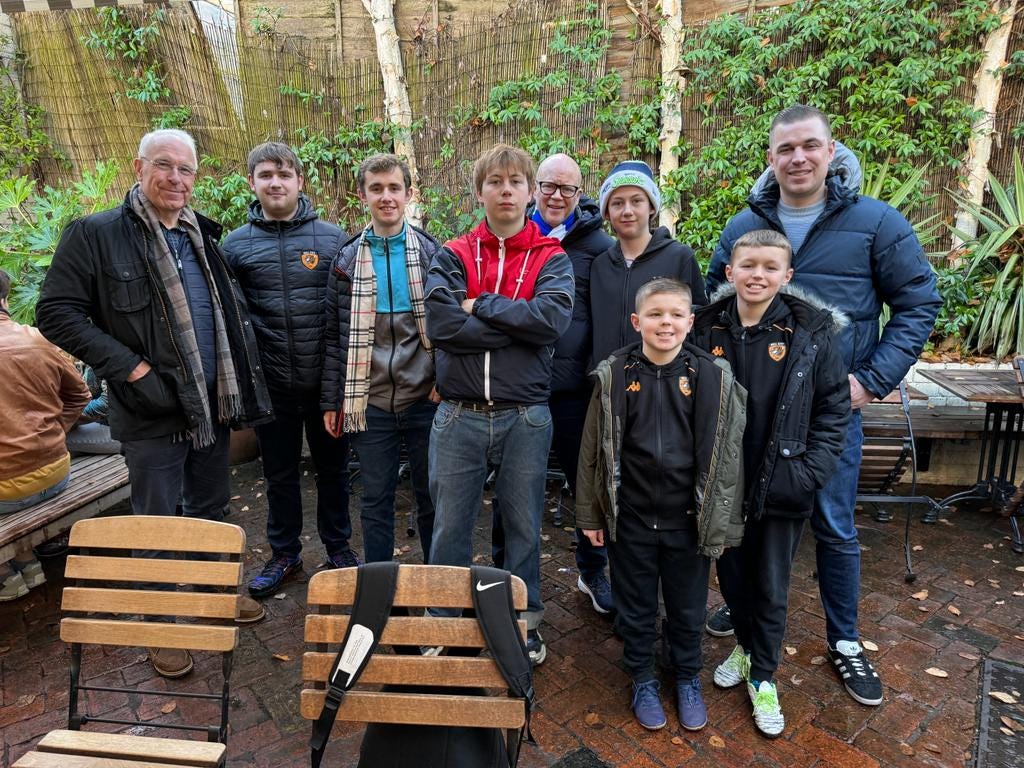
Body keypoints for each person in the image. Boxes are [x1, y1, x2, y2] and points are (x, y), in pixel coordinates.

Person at [706, 105, 941, 706]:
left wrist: (872, 379)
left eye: (810, 145)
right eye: (786, 149)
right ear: (771, 158)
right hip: (754, 415)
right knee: (747, 521)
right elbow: (713, 304)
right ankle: (748, 617)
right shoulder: (744, 226)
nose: (799, 158)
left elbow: (918, 302)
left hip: (831, 414)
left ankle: (845, 640)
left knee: (833, 526)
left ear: (831, 151)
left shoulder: (875, 222)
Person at [37, 128, 273, 677]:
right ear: (139, 168)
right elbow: (57, 313)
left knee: (211, 511)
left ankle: (214, 595)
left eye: (186, 169)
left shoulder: (200, 234)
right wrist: (132, 369)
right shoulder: (96, 234)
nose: (175, 178)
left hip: (211, 406)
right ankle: (161, 625)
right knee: (157, 522)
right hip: (150, 410)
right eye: (164, 165)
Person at [691, 230, 849, 737]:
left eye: (770, 267)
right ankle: (744, 645)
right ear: (730, 271)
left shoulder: (810, 332)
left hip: (782, 480)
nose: (757, 275)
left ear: (787, 275)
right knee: (732, 576)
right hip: (724, 484)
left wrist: (809, 472)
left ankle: (763, 676)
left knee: (771, 583)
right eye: (748, 265)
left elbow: (833, 407)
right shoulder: (706, 327)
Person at [424, 144, 574, 665]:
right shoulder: (453, 254)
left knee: (523, 528)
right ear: (479, 191)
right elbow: (442, 324)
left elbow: (550, 322)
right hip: (458, 415)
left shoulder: (552, 258)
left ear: (531, 193)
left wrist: (481, 305)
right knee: (449, 527)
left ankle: (522, 622)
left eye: (515, 182)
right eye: (495, 181)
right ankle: (441, 621)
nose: (505, 190)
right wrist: (517, 326)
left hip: (525, 418)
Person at [576, 277, 746, 732]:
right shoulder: (615, 374)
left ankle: (686, 675)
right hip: (630, 517)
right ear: (637, 321)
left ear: (690, 322)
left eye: (675, 314)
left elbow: (729, 456)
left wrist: (724, 522)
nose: (665, 323)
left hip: (687, 520)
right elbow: (592, 450)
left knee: (688, 606)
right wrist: (591, 513)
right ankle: (643, 677)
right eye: (655, 314)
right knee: (635, 607)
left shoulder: (711, 376)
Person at [223, 142, 355, 598]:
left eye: (283, 174)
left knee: (334, 472)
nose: (275, 182)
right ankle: (284, 554)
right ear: (252, 183)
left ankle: (338, 548)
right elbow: (231, 321)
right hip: (271, 389)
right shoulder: (234, 246)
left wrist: (341, 387)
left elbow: (346, 317)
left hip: (325, 387)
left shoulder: (333, 240)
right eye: (265, 175)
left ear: (300, 180)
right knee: (279, 476)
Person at [491, 153, 616, 614]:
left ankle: (592, 570)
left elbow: (605, 317)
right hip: (518, 386)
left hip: (573, 390)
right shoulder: (511, 237)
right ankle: (503, 575)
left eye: (567, 188)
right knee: (510, 487)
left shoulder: (598, 247)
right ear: (533, 190)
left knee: (587, 485)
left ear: (580, 194)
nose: (557, 196)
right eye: (548, 186)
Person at [321, 153, 440, 564]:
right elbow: (334, 337)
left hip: (425, 399)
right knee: (375, 498)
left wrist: (445, 381)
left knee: (431, 495)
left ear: (409, 193)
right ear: (362, 196)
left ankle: (435, 579)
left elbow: (448, 328)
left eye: (394, 188)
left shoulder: (431, 254)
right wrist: (332, 400)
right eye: (376, 189)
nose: (386, 197)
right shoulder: (346, 261)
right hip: (368, 403)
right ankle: (378, 581)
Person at [0, 269, 91, 600]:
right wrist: (55, 430)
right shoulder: (38, 338)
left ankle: (6, 574)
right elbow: (80, 395)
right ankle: (27, 560)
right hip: (55, 474)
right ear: (5, 299)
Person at [589, 160, 706, 365]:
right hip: (608, 378)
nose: (627, 211)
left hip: (664, 378)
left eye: (637, 201)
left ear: (651, 207)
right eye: (617, 203)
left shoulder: (680, 257)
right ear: (606, 212)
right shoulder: (599, 266)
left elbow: (700, 326)